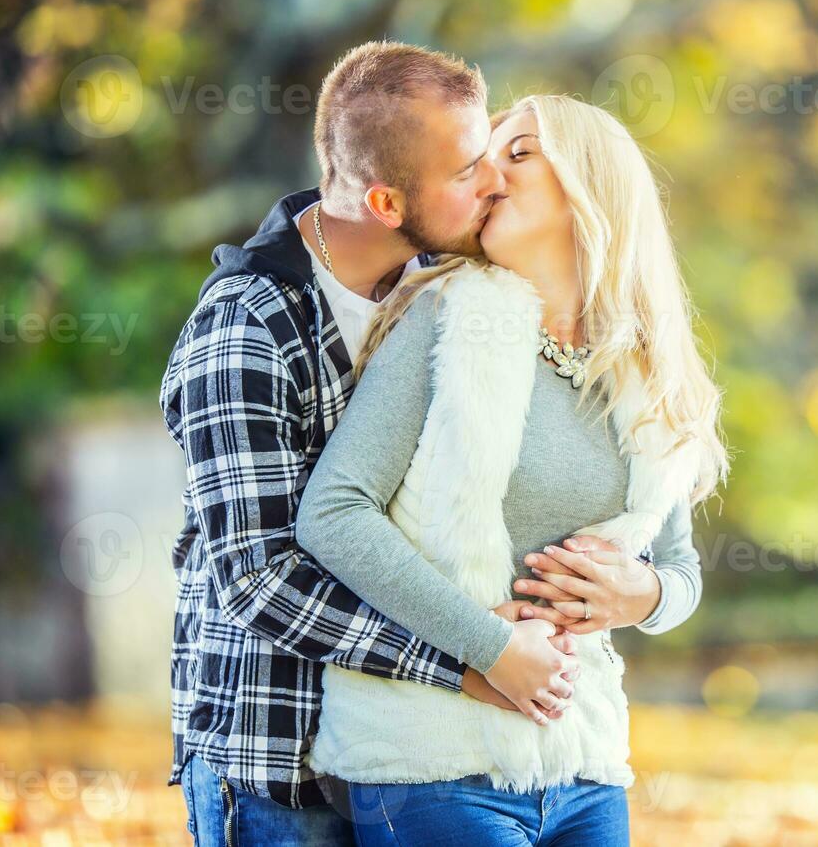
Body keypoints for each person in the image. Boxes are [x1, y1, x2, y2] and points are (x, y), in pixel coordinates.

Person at [159, 44, 665, 845]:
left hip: (416, 747)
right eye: (471, 169)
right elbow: (261, 581)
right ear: (389, 202)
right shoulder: (246, 331)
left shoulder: (445, 286)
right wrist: (475, 658)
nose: (494, 179)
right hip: (277, 761)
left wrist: (641, 593)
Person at [294, 94, 728, 846]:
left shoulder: (643, 371)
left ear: (590, 185)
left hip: (582, 760)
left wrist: (645, 592)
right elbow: (334, 512)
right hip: (431, 760)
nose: (488, 173)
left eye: (519, 152)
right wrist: (492, 649)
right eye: (484, 155)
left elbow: (680, 570)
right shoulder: (446, 319)